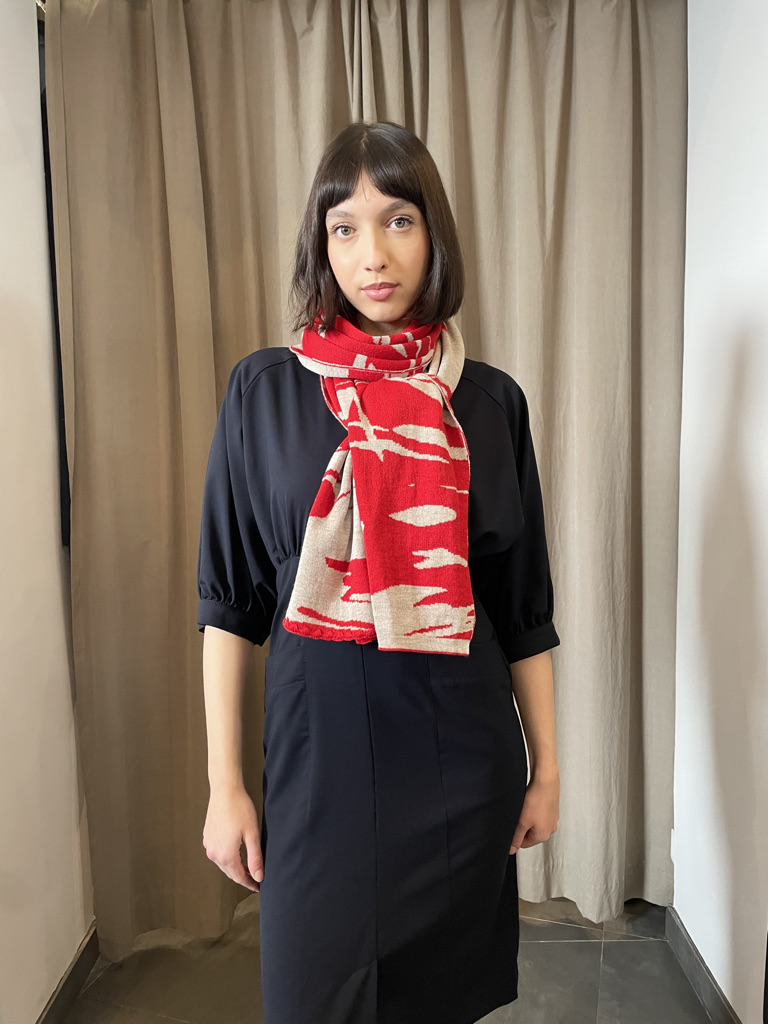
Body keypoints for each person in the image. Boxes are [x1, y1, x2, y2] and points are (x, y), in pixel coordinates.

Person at [197, 120, 561, 1024]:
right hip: (317, 765)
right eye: (345, 227)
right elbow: (231, 604)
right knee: (312, 995)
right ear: (321, 246)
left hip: (459, 761)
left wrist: (548, 768)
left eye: (399, 220)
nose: (374, 254)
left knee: (441, 1003)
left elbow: (521, 606)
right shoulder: (264, 392)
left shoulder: (491, 401)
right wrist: (224, 784)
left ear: (433, 233)